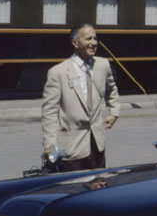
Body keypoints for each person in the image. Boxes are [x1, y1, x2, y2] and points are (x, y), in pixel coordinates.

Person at [41, 24, 119, 171]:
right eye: (88, 38)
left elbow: (112, 89)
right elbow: (49, 112)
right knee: (73, 188)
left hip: (97, 146)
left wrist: (114, 112)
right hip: (71, 149)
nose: (94, 42)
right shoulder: (58, 72)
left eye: (95, 38)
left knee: (98, 187)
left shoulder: (103, 65)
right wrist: (49, 145)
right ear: (75, 43)